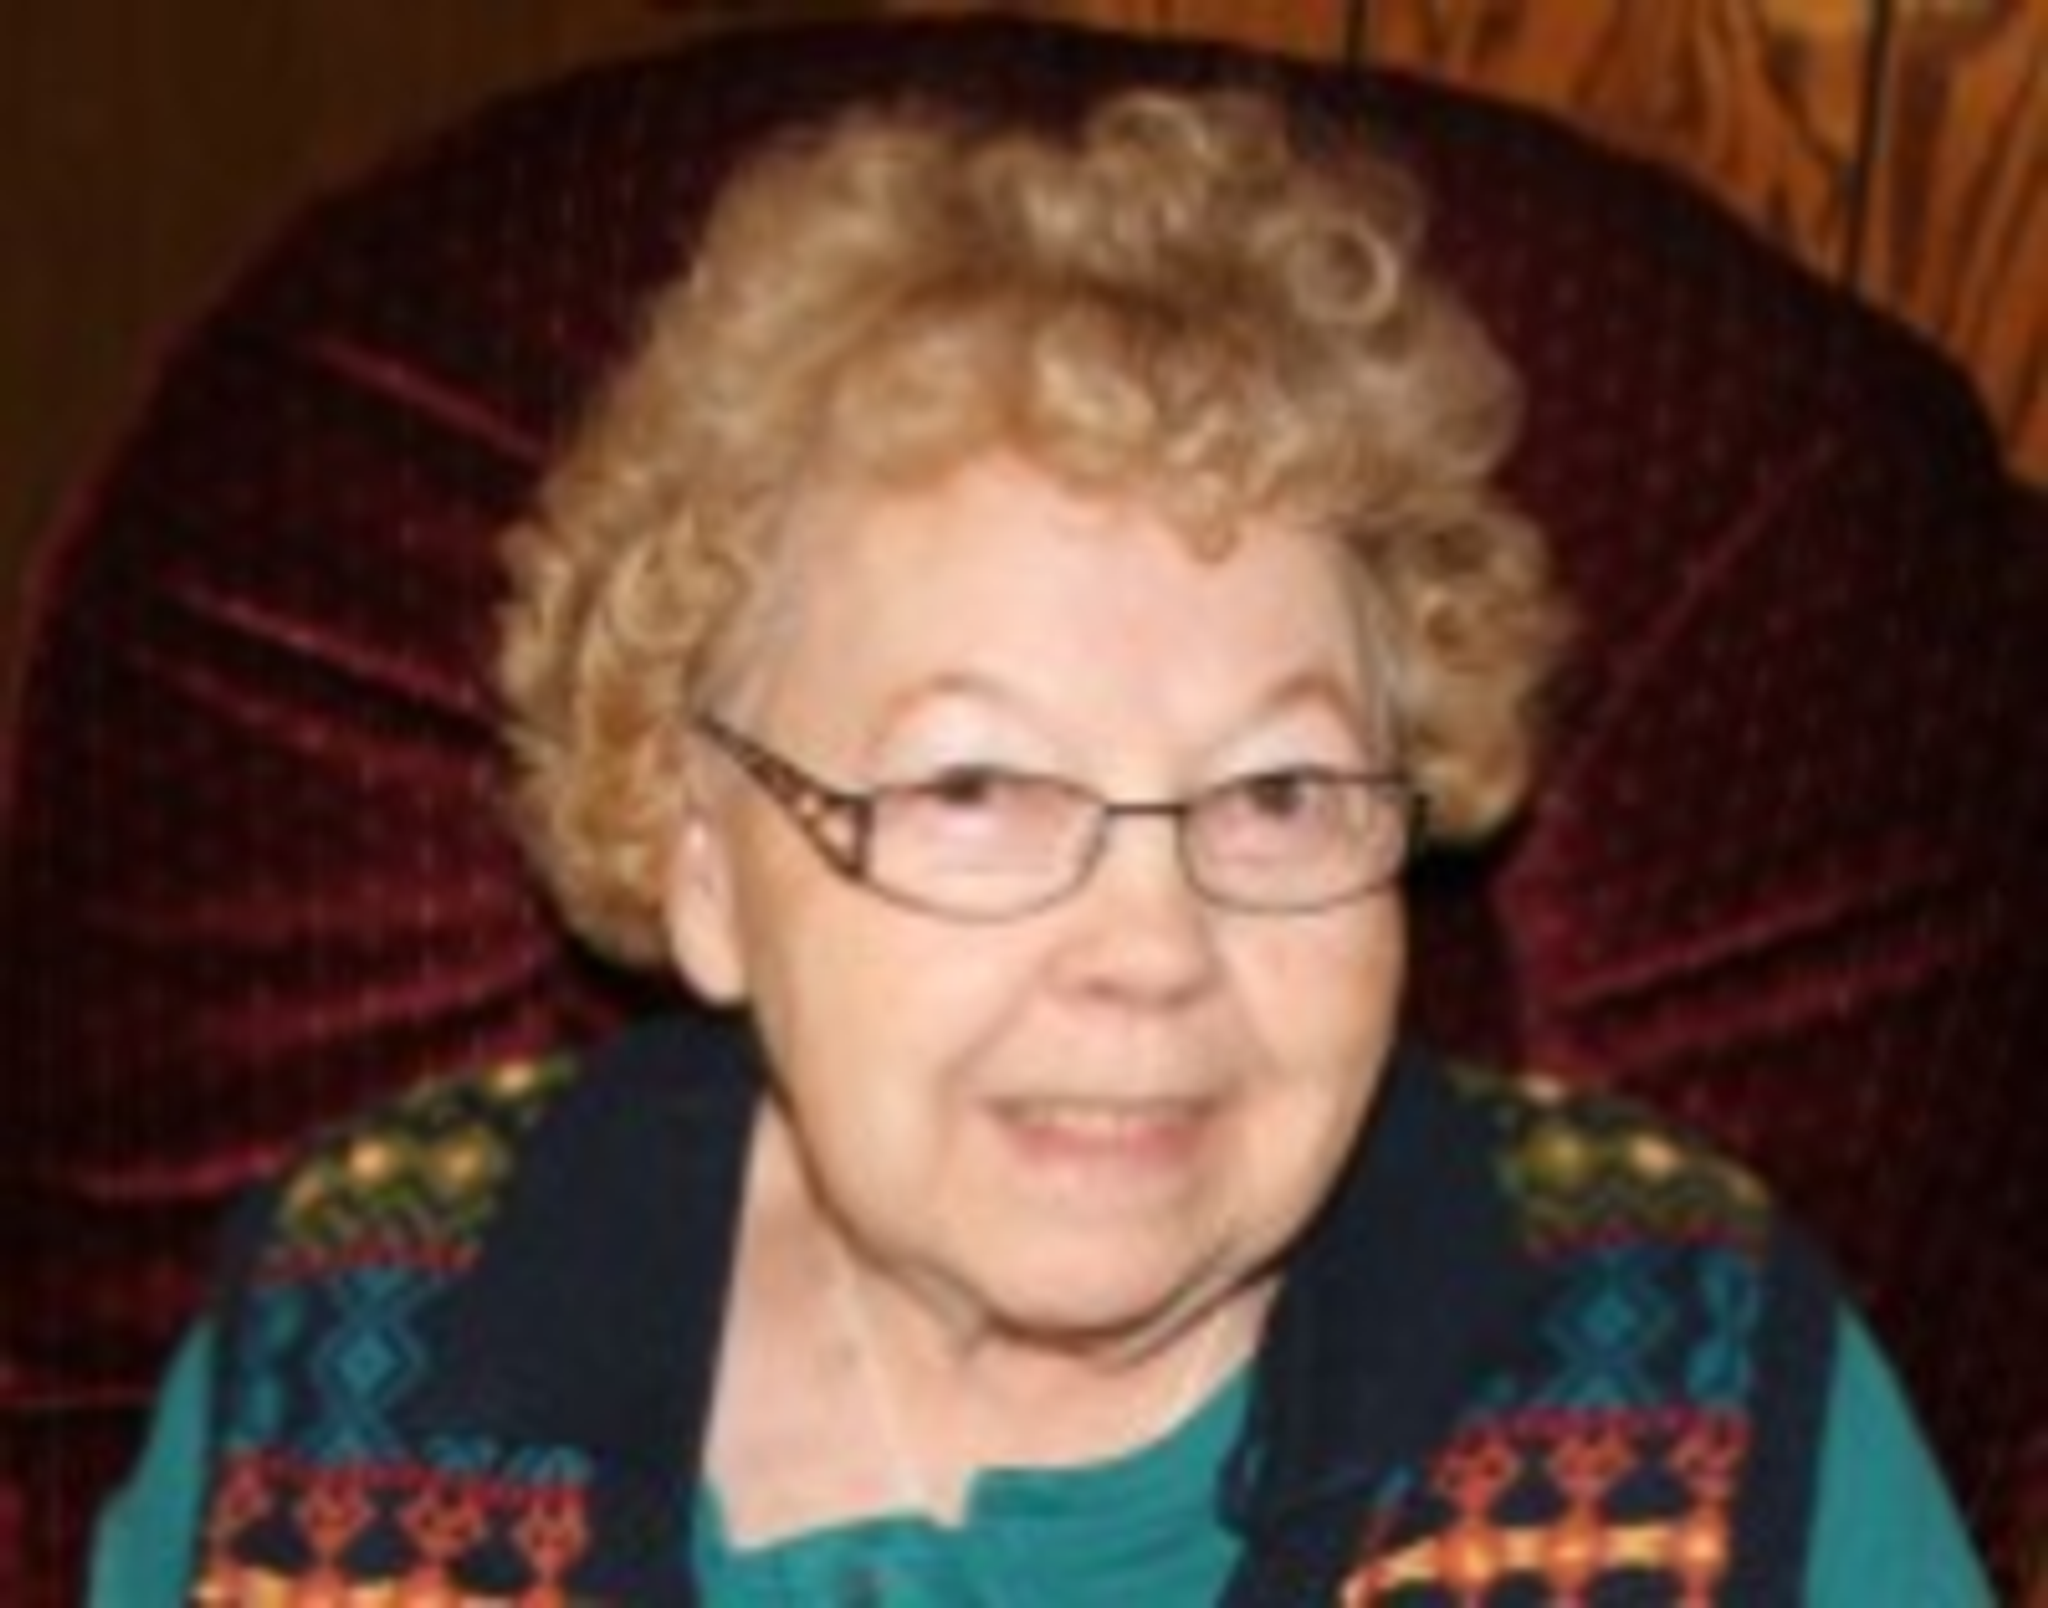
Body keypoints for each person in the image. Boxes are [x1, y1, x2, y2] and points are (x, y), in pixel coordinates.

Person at [91, 85, 1990, 1606]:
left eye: (1276, 795)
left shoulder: (1693, 1384)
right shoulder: (353, 1348)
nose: (1150, 949)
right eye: (975, 789)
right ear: (701, 857)